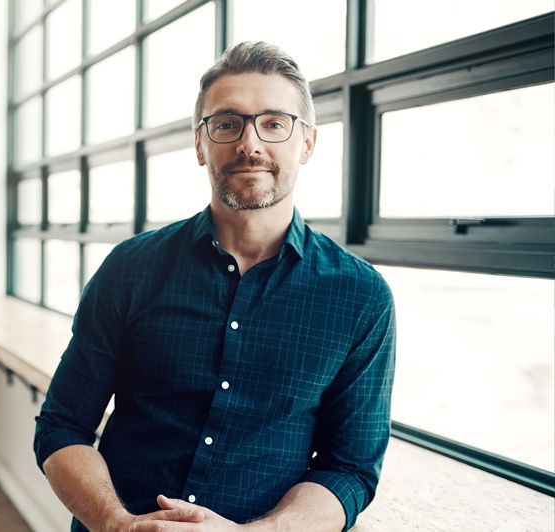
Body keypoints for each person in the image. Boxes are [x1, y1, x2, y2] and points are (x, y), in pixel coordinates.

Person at [34, 42, 396, 532]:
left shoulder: (361, 297)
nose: (251, 144)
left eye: (274, 123)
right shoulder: (130, 269)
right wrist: (116, 523)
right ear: (201, 144)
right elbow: (62, 426)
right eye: (227, 124)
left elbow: (350, 469)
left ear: (307, 142)